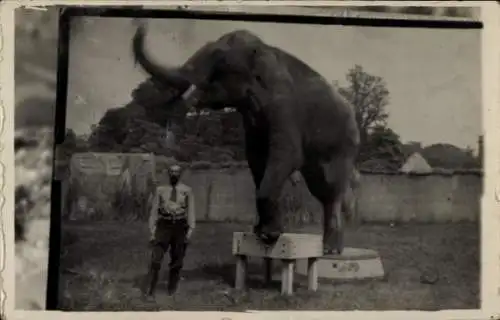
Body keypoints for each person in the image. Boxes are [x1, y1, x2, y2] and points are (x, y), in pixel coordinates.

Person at [142, 163, 196, 299]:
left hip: (179, 226)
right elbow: (154, 211)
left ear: (180, 174)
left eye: (177, 172)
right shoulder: (161, 190)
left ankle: (172, 290)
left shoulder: (187, 190)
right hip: (163, 225)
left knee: (177, 261)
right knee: (156, 259)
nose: (174, 174)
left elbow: (191, 212)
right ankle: (150, 290)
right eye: (172, 172)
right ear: (168, 174)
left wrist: (190, 231)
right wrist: (152, 231)